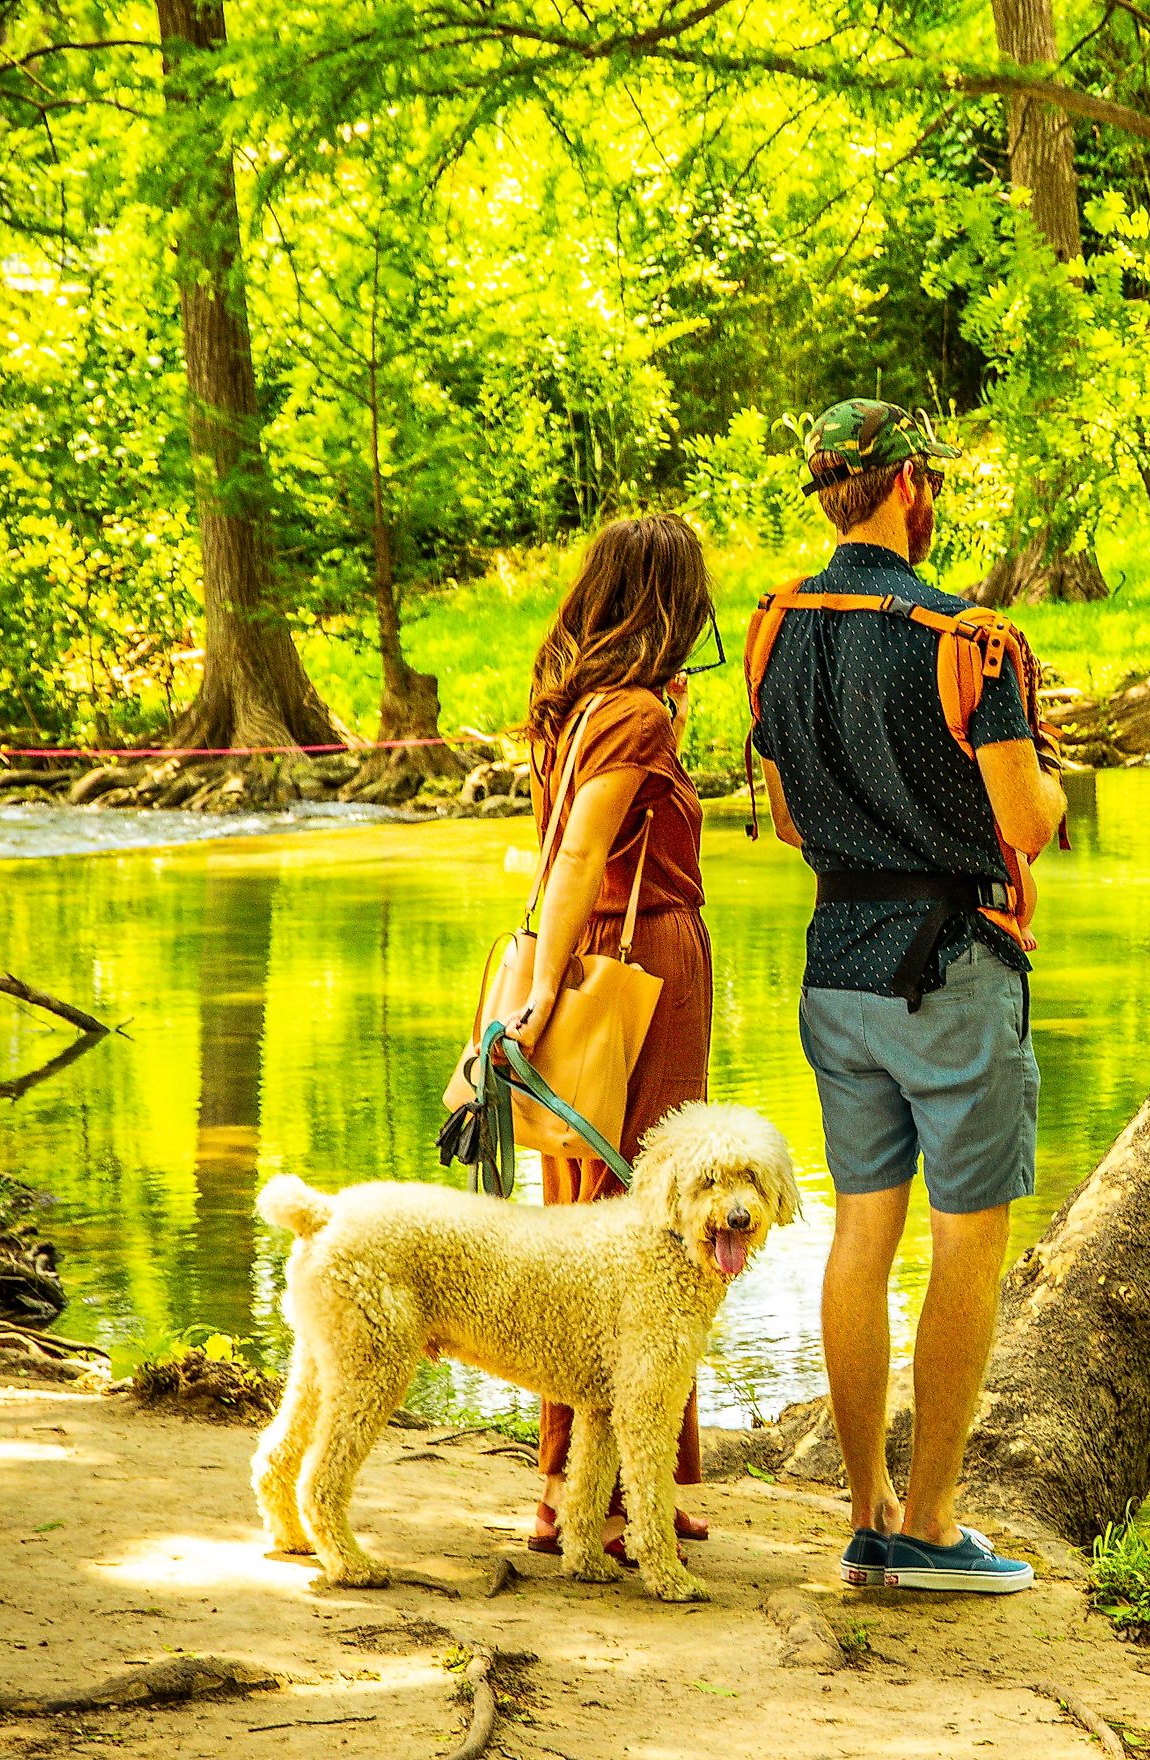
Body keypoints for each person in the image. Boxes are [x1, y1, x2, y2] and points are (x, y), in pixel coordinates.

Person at [748, 399, 1065, 1595]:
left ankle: (863, 1506)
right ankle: (929, 1522)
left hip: (837, 963)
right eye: (928, 477)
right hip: (953, 972)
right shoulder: (970, 640)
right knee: (964, 1242)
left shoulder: (777, 627)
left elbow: (783, 813)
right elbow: (1026, 819)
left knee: (859, 1235)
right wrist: (1051, 811)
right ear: (910, 488)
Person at [509, 514, 719, 1559]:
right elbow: (586, 848)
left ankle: (609, 1477)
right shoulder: (631, 714)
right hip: (637, 971)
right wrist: (545, 991)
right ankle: (595, 1489)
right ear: (672, 603)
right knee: (652, 1230)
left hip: (590, 958)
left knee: (584, 1221)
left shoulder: (577, 706)